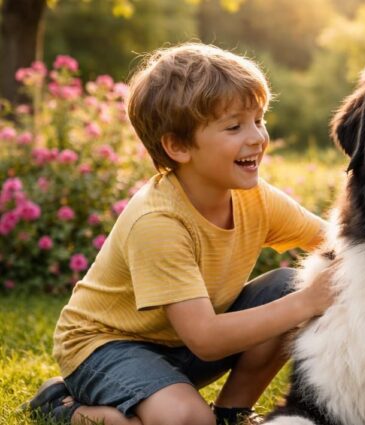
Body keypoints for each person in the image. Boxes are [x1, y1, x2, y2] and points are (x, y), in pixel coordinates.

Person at [25, 43, 334, 425]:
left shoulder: (256, 198)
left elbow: (334, 241)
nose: (257, 137)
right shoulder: (158, 222)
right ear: (178, 146)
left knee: (288, 284)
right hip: (104, 348)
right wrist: (308, 302)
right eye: (235, 126)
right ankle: (63, 407)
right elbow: (205, 338)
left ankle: (231, 412)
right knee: (187, 420)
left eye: (259, 119)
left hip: (179, 347)